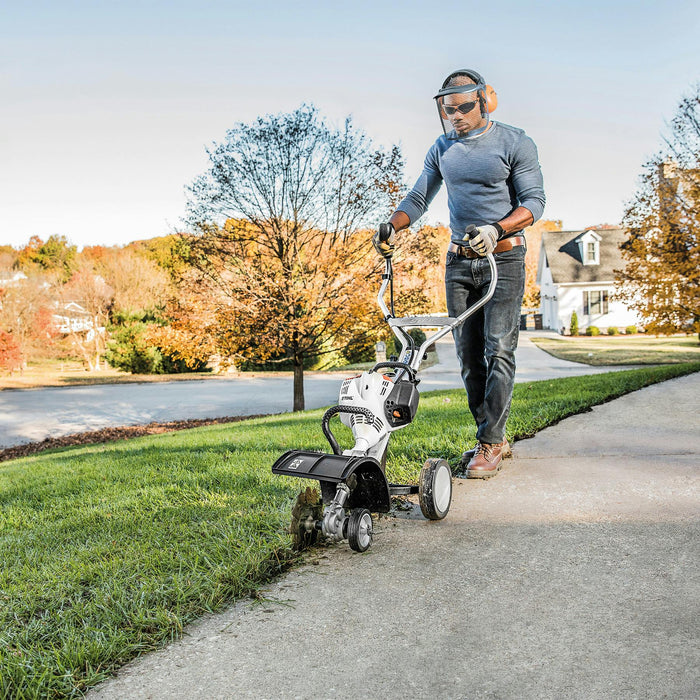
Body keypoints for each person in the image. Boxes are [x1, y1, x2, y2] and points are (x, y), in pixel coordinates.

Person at [373, 68, 545, 478]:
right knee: (469, 359)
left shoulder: (516, 142)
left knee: (499, 349)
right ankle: (492, 436)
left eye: (464, 108)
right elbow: (418, 196)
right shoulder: (442, 148)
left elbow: (535, 202)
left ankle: (490, 443)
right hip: (458, 262)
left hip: (503, 257)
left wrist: (496, 228)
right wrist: (392, 226)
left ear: (487, 101)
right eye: (449, 110)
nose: (456, 117)